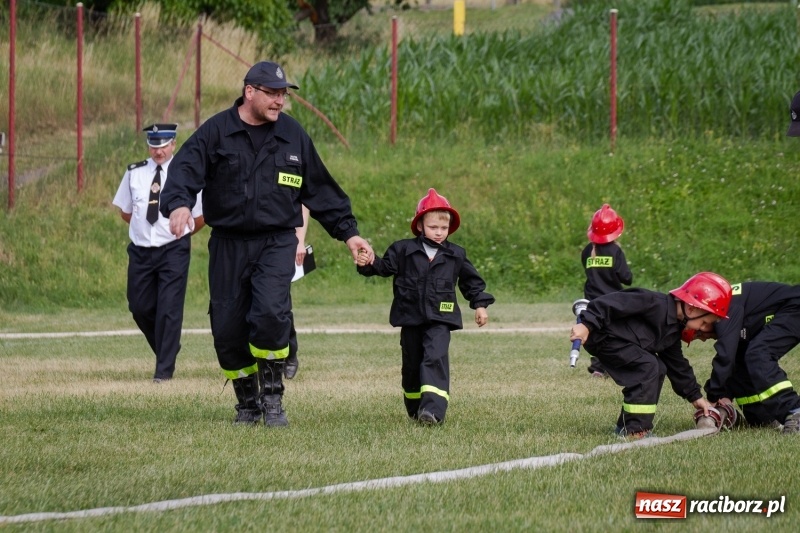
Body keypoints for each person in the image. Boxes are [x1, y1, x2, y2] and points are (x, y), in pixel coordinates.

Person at [158, 61, 374, 427]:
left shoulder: (293, 136)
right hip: (228, 244)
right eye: (273, 94)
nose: (280, 102)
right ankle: (248, 403)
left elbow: (320, 189)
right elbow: (183, 171)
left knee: (271, 313)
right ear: (250, 92)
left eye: (283, 95)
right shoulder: (216, 132)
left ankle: (273, 399)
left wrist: (350, 233)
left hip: (276, 242)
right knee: (227, 328)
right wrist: (179, 204)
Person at [356, 188, 495, 425]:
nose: (439, 233)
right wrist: (367, 262)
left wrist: (480, 305)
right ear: (420, 225)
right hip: (410, 319)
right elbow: (381, 268)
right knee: (411, 366)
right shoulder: (402, 250)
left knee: (435, 358)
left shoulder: (456, 254)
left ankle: (433, 412)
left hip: (441, 319)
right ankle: (415, 408)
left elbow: (472, 282)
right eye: (433, 227)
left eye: (444, 228)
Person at [569, 272, 731, 439]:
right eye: (704, 323)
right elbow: (608, 304)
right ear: (691, 308)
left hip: (621, 342)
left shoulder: (673, 330)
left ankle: (625, 426)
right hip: (603, 336)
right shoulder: (652, 302)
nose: (704, 329)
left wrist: (695, 396)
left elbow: (677, 365)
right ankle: (635, 430)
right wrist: (587, 325)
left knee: (658, 367)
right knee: (648, 367)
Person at [112, 123, 204, 383]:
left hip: (173, 249)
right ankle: (168, 348)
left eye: (163, 146)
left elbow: (199, 216)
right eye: (154, 146)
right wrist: (144, 232)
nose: (158, 152)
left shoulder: (185, 173)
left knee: (169, 308)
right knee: (139, 306)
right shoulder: (134, 173)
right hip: (141, 250)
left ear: (173, 144)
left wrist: (180, 235)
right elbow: (126, 212)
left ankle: (163, 371)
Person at [683, 281, 800, 434]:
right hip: (788, 307)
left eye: (699, 333)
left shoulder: (724, 310)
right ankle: (762, 417)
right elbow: (733, 360)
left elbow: (725, 355)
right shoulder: (726, 307)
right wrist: (724, 396)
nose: (704, 337)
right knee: (743, 356)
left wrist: (713, 396)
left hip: (795, 306)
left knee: (758, 353)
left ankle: (794, 410)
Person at [581, 203, 633, 378]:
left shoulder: (588, 251)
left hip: (591, 300)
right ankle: (612, 365)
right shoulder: (615, 251)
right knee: (614, 333)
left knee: (596, 332)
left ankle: (598, 367)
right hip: (612, 301)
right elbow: (626, 278)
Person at [284, 204, 310, 380]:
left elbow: (303, 202)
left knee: (278, 305)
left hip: (280, 242)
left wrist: (299, 241)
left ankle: (290, 354)